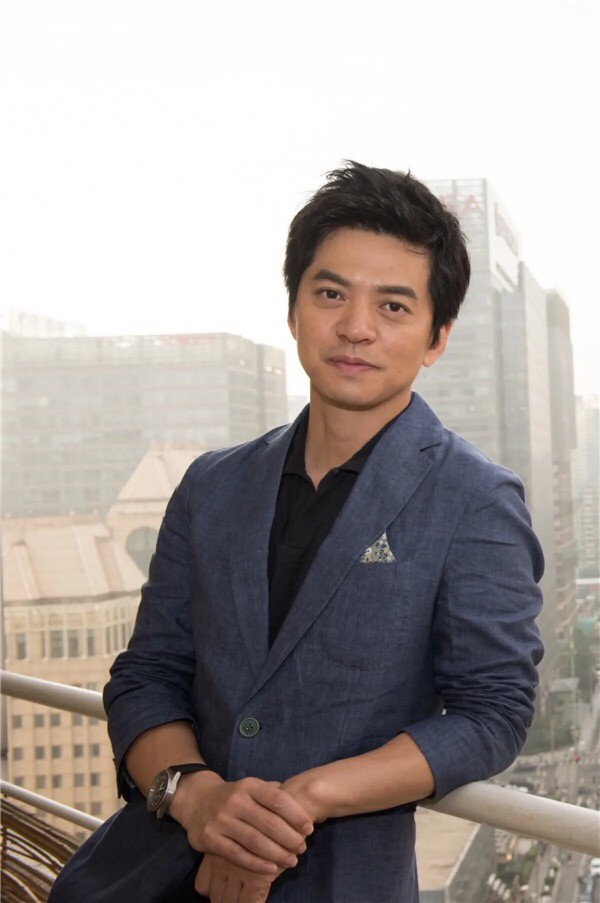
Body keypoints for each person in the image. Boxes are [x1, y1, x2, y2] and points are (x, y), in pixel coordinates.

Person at [50, 161, 544, 903]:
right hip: (151, 871)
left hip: (340, 878)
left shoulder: (474, 499)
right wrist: (196, 796)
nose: (356, 327)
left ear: (436, 337)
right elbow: (147, 675)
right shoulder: (211, 485)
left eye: (394, 306)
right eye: (331, 294)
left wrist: (301, 800)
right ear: (293, 310)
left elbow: (492, 712)